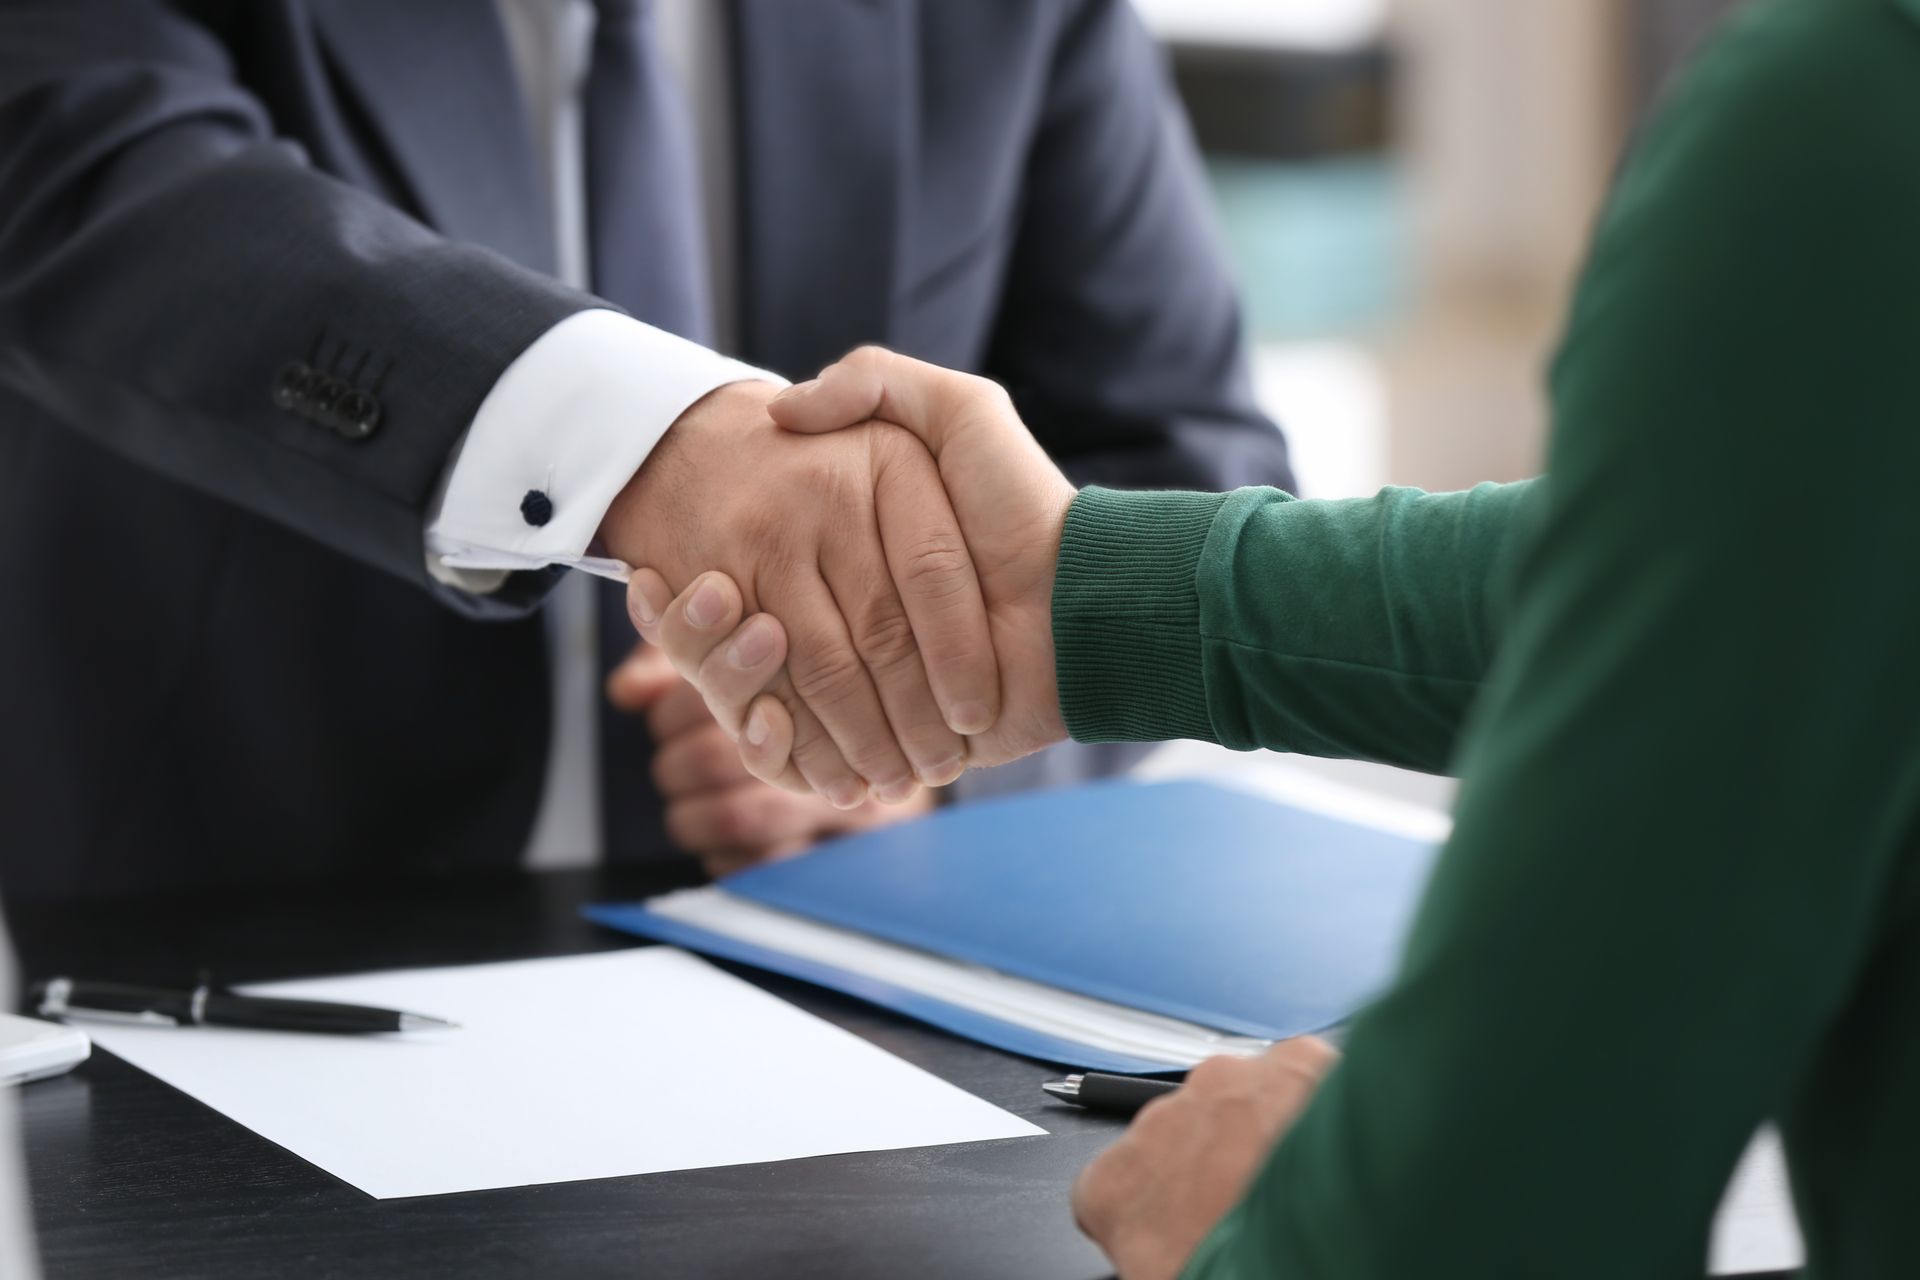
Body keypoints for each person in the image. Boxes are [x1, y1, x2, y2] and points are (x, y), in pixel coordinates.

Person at [630, 0, 1920, 1273]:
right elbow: (1747, 556)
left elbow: (1488, 1234)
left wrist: (1269, 1236)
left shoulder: (1853, 119)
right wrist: (1088, 601)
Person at [0, 0, 1292, 899]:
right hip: (242, 955)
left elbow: (1187, 451)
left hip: (837, 1011)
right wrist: (655, 453)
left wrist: (927, 748)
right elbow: (93, 182)